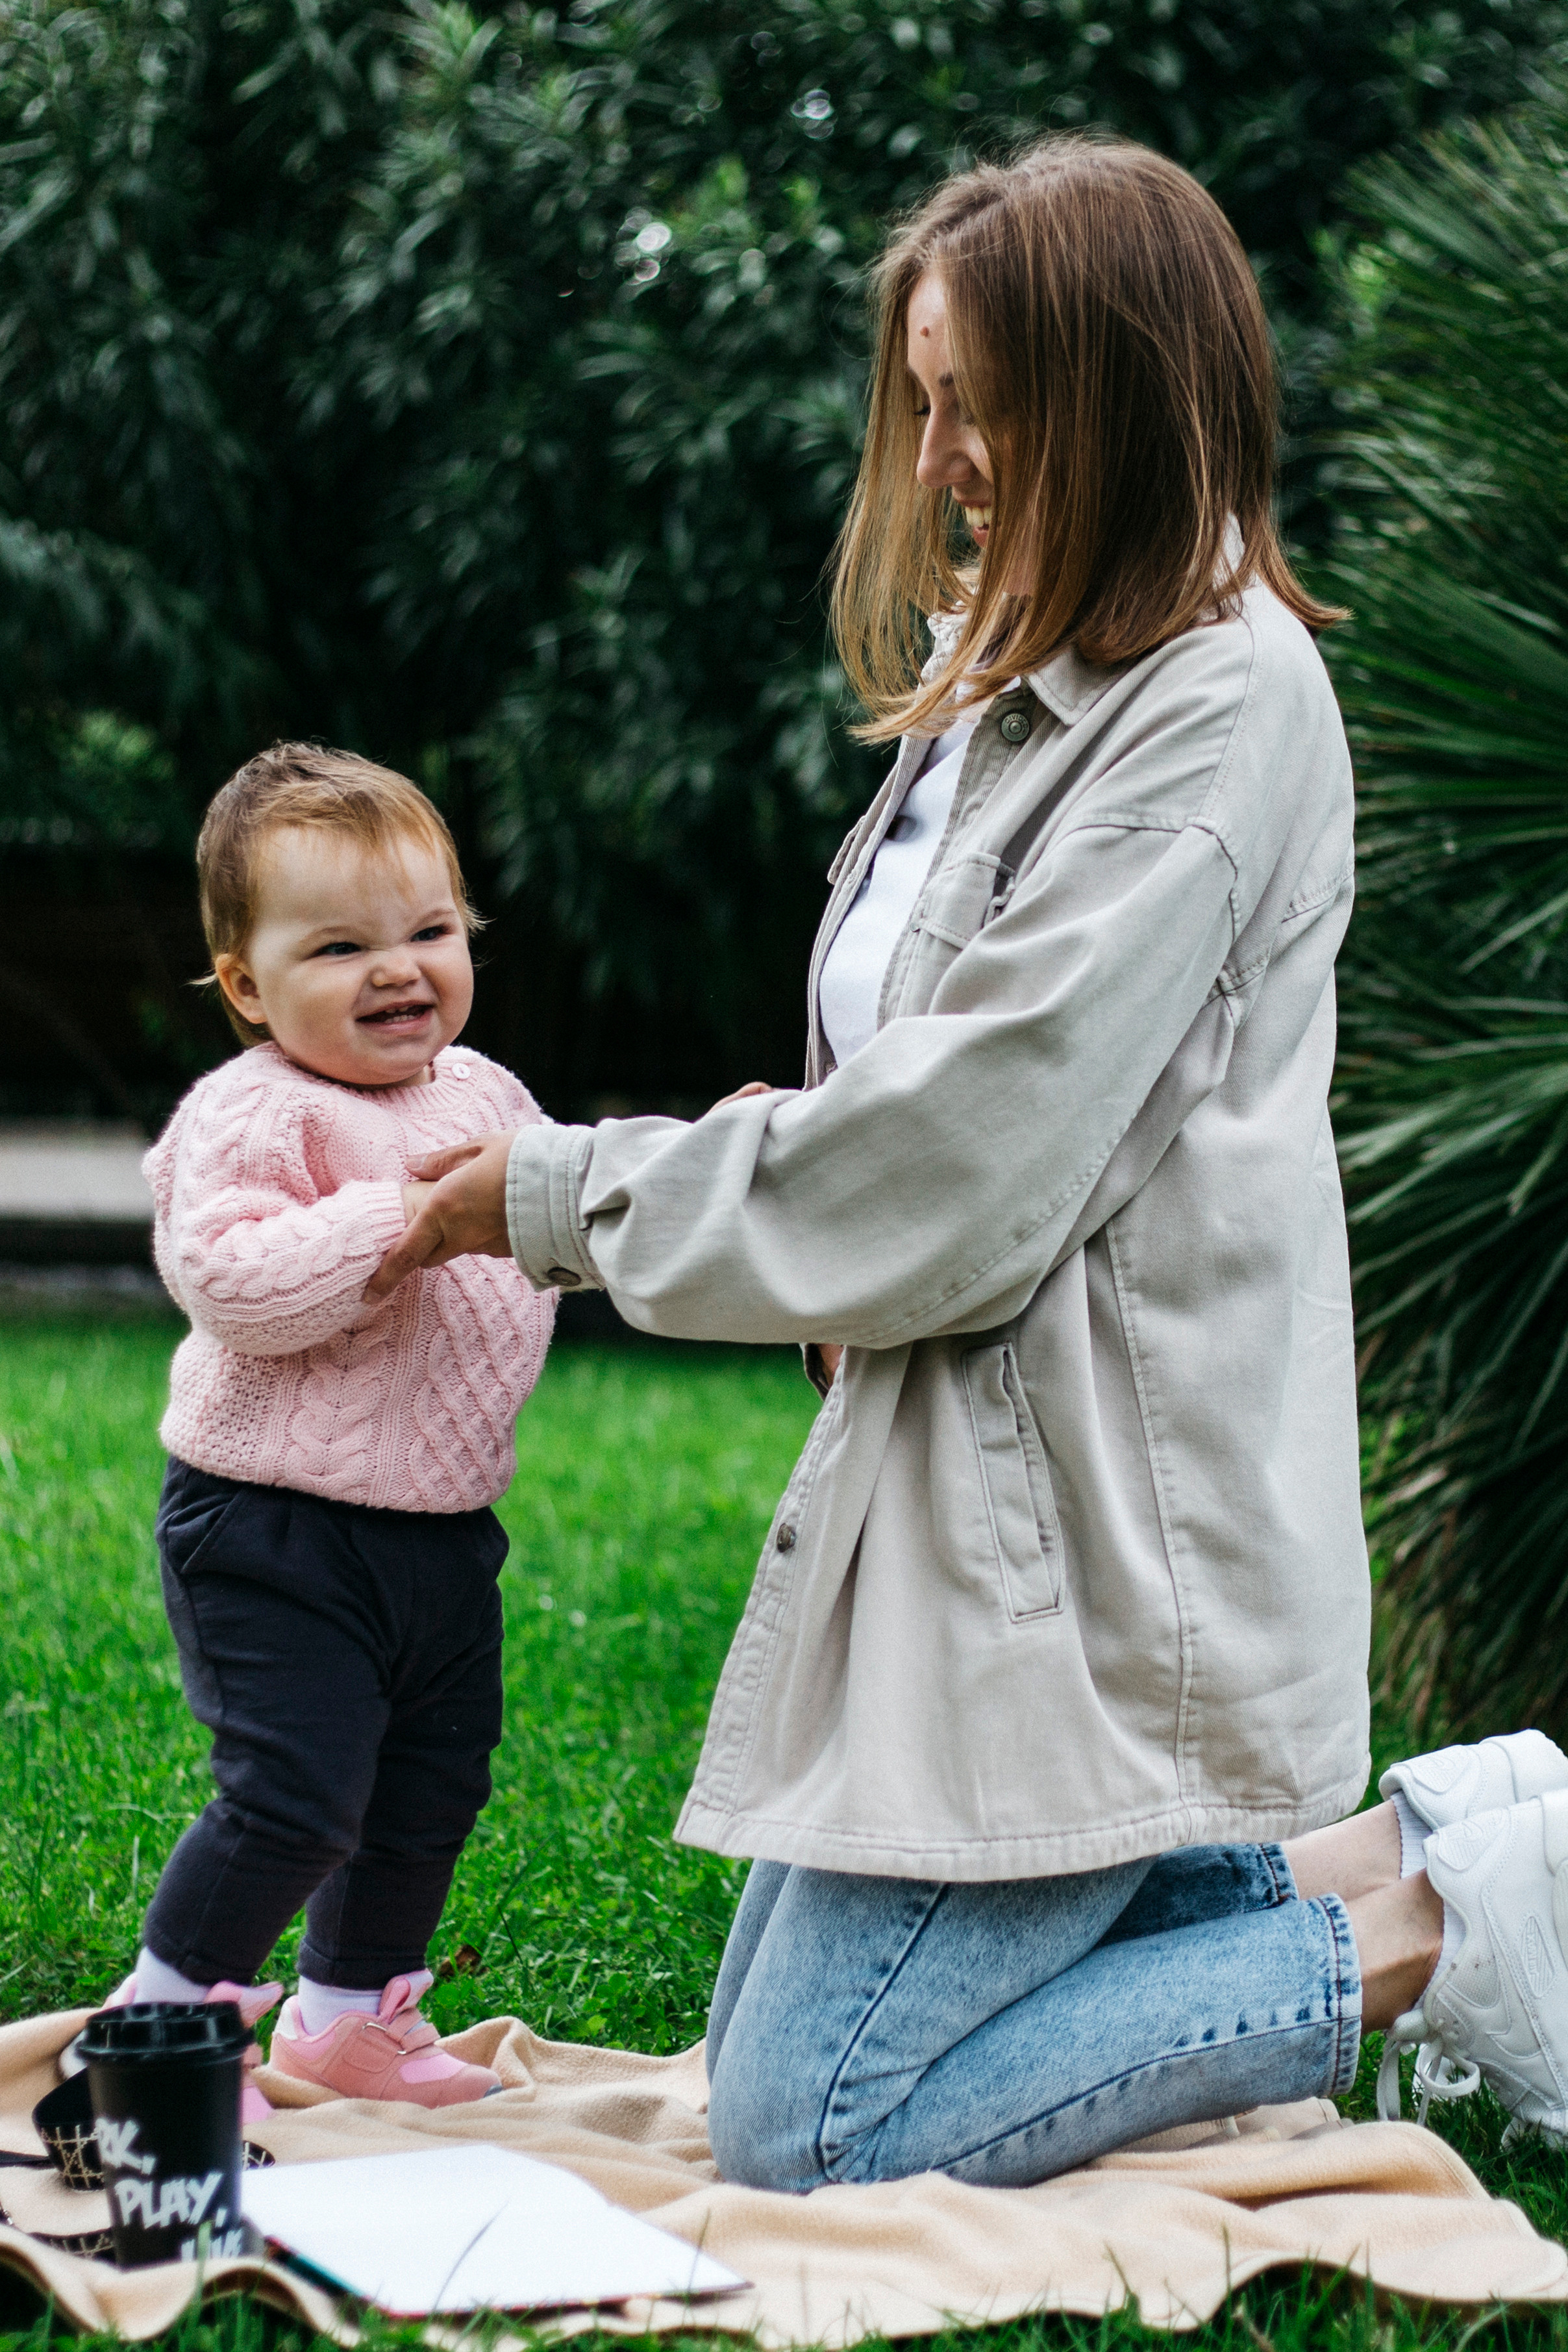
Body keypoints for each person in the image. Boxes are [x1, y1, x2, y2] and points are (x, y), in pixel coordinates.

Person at [372, 138, 1568, 2176]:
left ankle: (1455, 1925)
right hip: (981, 1503)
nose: (939, 454)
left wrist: (574, 1199)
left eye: (975, 401)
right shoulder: (1019, 680)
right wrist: (789, 1164)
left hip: (1096, 1548)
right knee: (775, 2036)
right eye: (922, 399)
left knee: (808, 2121)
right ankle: (1393, 1854)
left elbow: (960, 1154)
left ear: (1110, 392)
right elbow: (919, 1081)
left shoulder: (1215, 709)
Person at [109, 744, 554, 2114]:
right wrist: (401, 1220)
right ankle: (161, 2026)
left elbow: (560, 1213)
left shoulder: (485, 1096)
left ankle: (349, 2016)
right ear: (246, 984)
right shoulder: (255, 1110)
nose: (397, 967)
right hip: (271, 1525)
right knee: (297, 1792)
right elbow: (234, 1284)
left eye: (428, 929)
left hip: (438, 1528)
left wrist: (664, 1171)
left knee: (428, 1782)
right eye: (340, 944)